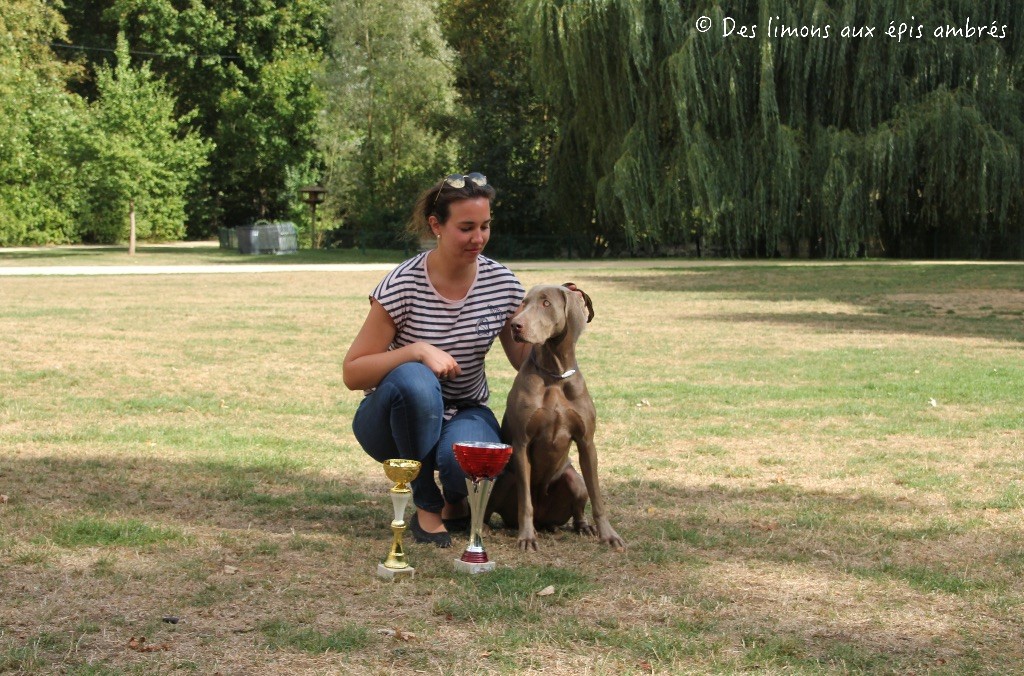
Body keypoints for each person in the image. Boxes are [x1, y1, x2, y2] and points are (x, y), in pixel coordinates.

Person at [343, 173, 530, 548]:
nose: (478, 238)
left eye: (485, 226)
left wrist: (557, 320)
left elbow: (524, 362)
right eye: (466, 228)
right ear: (436, 225)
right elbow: (353, 371)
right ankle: (427, 504)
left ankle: (454, 502)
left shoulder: (502, 284)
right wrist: (415, 351)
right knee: (415, 378)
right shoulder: (402, 283)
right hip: (392, 416)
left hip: (466, 409)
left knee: (469, 467)